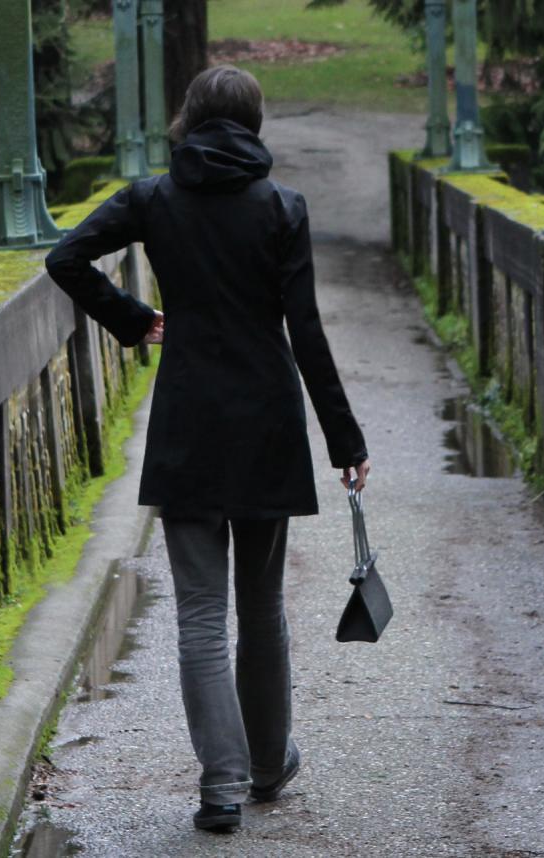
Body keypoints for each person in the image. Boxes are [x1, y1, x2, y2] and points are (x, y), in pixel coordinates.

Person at [45, 65, 370, 833]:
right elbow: (308, 334)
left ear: (188, 118)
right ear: (254, 123)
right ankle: (266, 768)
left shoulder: (155, 198)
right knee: (261, 608)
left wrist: (133, 317)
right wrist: (345, 440)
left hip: (189, 422)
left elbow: (65, 259)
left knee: (199, 613)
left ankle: (219, 787)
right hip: (266, 424)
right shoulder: (282, 206)